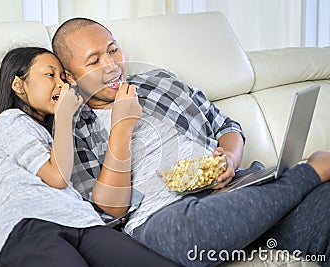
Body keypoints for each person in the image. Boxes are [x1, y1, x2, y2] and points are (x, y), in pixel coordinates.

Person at [51, 18, 330, 267]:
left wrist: (230, 160)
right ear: (70, 76)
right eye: (94, 61)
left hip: (233, 190)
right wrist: (121, 128)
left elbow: (227, 126)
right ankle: (307, 174)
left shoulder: (159, 80)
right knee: (180, 235)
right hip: (165, 216)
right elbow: (109, 211)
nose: (111, 66)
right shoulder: (72, 128)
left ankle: (267, 206)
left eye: (113, 50)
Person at [0, 46, 179, 267]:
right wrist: (64, 115)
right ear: (18, 85)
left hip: (83, 222)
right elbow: (57, 177)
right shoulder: (10, 121)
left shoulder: (57, 132)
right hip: (30, 226)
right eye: (49, 74)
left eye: (63, 78)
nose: (61, 84)